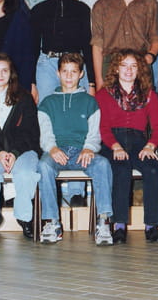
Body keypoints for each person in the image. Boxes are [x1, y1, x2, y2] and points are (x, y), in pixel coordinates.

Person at [36, 53, 114, 246]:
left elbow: (94, 133)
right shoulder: (47, 103)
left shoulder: (89, 102)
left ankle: (103, 221)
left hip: (81, 152)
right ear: (58, 73)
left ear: (81, 74)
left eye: (73, 72)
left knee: (103, 164)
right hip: (57, 151)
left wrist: (89, 148)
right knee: (43, 166)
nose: (69, 76)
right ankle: (52, 222)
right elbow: (45, 133)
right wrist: (52, 148)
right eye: (65, 71)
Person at [96, 50, 158, 244]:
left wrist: (150, 146)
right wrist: (115, 146)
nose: (128, 70)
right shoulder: (103, 94)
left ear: (139, 70)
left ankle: (152, 225)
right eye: (124, 65)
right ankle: (119, 225)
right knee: (121, 169)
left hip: (139, 142)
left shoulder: (150, 95)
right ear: (116, 68)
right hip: (111, 141)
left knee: (153, 169)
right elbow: (102, 127)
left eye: (133, 66)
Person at [0, 53, 41, 241]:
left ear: (11, 74)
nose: (0, 75)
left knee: (26, 173)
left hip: (23, 150)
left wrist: (14, 153)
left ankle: (24, 218)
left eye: (4, 70)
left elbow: (30, 132)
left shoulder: (25, 98)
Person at [30, 0, 94, 105]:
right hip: (47, 66)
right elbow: (33, 47)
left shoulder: (82, 9)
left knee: (78, 108)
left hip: (75, 64)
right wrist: (32, 82)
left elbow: (87, 45)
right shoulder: (39, 10)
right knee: (46, 108)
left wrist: (91, 82)